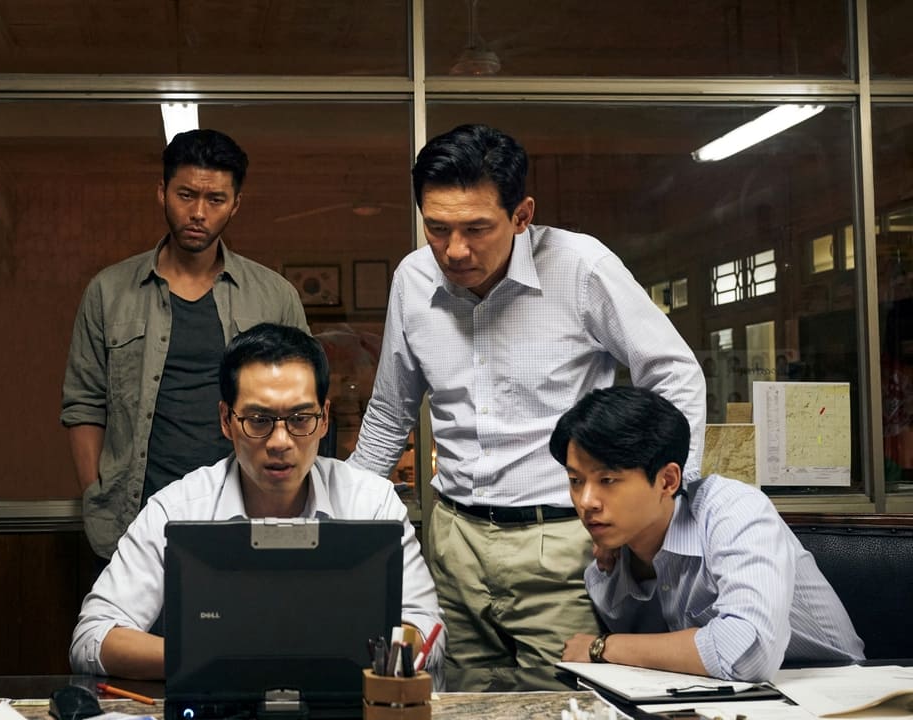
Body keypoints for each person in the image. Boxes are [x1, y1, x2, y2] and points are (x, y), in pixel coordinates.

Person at [348, 123, 706, 688]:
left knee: (565, 706)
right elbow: (391, 413)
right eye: (437, 228)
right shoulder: (412, 280)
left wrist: (663, 506)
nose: (455, 250)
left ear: (521, 215)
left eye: (477, 228)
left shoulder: (581, 267)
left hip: (566, 545)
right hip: (453, 543)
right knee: (459, 707)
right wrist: (342, 516)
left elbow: (672, 373)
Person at [70, 324, 443, 679]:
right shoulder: (177, 509)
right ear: (226, 420)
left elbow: (426, 628)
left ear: (325, 418)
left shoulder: (371, 503)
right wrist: (212, 658)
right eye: (258, 420)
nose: (280, 441)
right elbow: (93, 637)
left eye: (300, 418)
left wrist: (356, 658)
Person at [63, 129, 308, 562]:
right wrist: (96, 492)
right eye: (186, 195)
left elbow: (304, 407)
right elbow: (84, 403)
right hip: (136, 522)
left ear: (236, 204)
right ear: (162, 192)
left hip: (246, 517)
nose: (198, 212)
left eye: (215, 199)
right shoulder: (109, 291)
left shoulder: (274, 297)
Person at [554, 386, 864, 681]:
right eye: (575, 481)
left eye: (607, 480)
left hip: (832, 686)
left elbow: (747, 655)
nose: (586, 502)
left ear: (667, 481)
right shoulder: (606, 564)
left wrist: (602, 647)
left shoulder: (734, 511)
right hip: (713, 695)